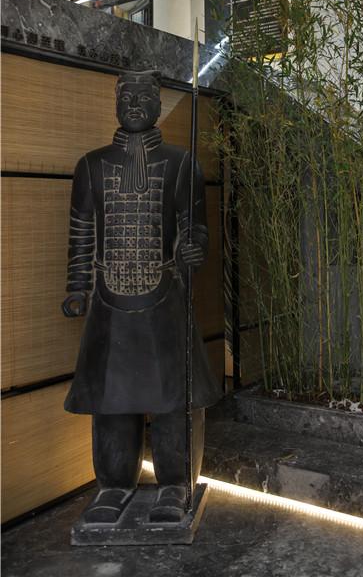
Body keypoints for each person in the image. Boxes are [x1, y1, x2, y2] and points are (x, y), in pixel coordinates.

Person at [62, 69, 221, 524]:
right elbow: (82, 232)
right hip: (109, 303)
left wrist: (193, 247)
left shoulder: (181, 163)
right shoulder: (91, 165)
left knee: (173, 401)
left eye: (143, 96)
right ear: (115, 102)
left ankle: (175, 484)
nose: (133, 104)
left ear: (158, 103)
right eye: (126, 96)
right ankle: (113, 485)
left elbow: (195, 227)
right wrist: (77, 286)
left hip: (164, 299)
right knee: (112, 402)